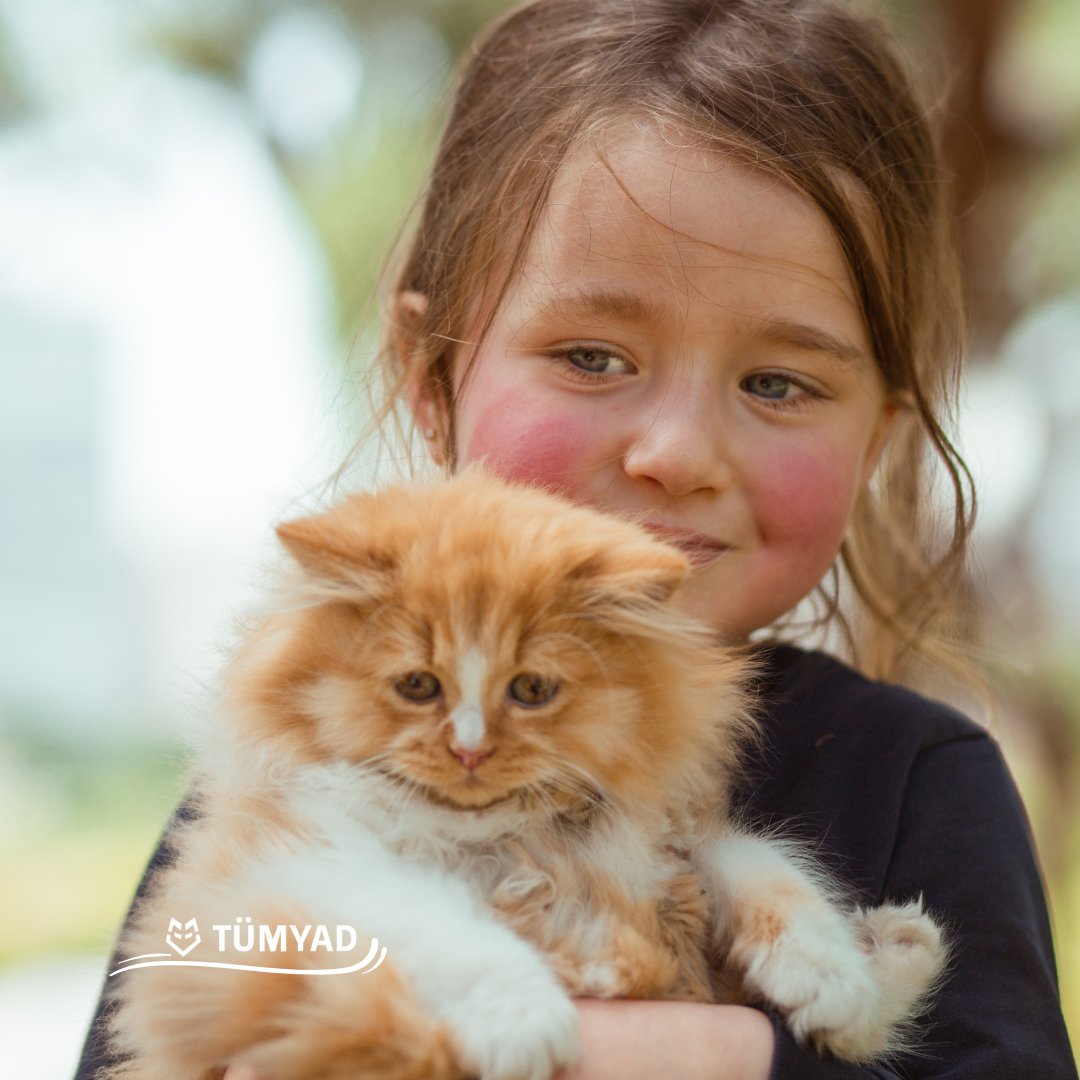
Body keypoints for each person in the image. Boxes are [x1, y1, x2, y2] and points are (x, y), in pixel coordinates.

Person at [76, 0, 1077, 1077]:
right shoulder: (300, 755)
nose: (678, 453)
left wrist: (702, 1053)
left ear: (878, 436)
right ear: (431, 379)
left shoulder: (915, 781)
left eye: (778, 382)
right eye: (593, 358)